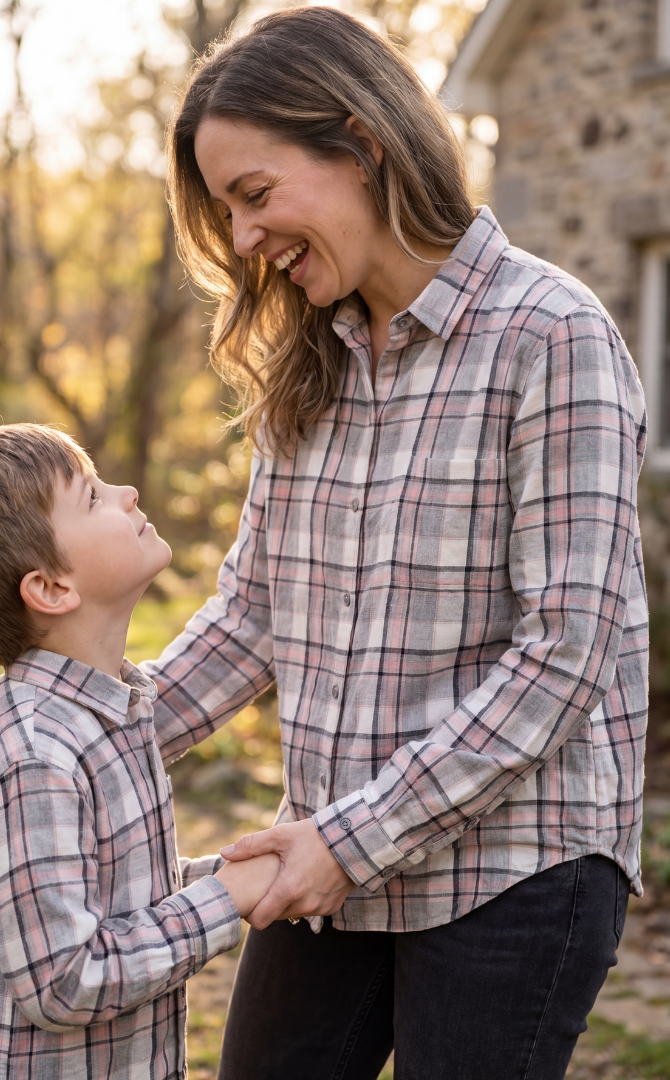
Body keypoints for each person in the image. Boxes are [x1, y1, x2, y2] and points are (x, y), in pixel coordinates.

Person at [144, 7, 649, 1079]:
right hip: (328, 852)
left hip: (517, 866)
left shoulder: (552, 337)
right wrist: (83, 737)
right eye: (225, 211)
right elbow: (252, 616)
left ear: (361, 145)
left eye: (254, 195)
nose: (242, 241)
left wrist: (349, 840)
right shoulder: (310, 362)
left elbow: (563, 655)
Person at [0, 423, 279, 1080]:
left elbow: (111, 904)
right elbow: (70, 979)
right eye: (92, 497)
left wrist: (230, 876)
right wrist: (226, 899)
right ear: (51, 588)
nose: (125, 493)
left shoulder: (108, 715)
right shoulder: (33, 761)